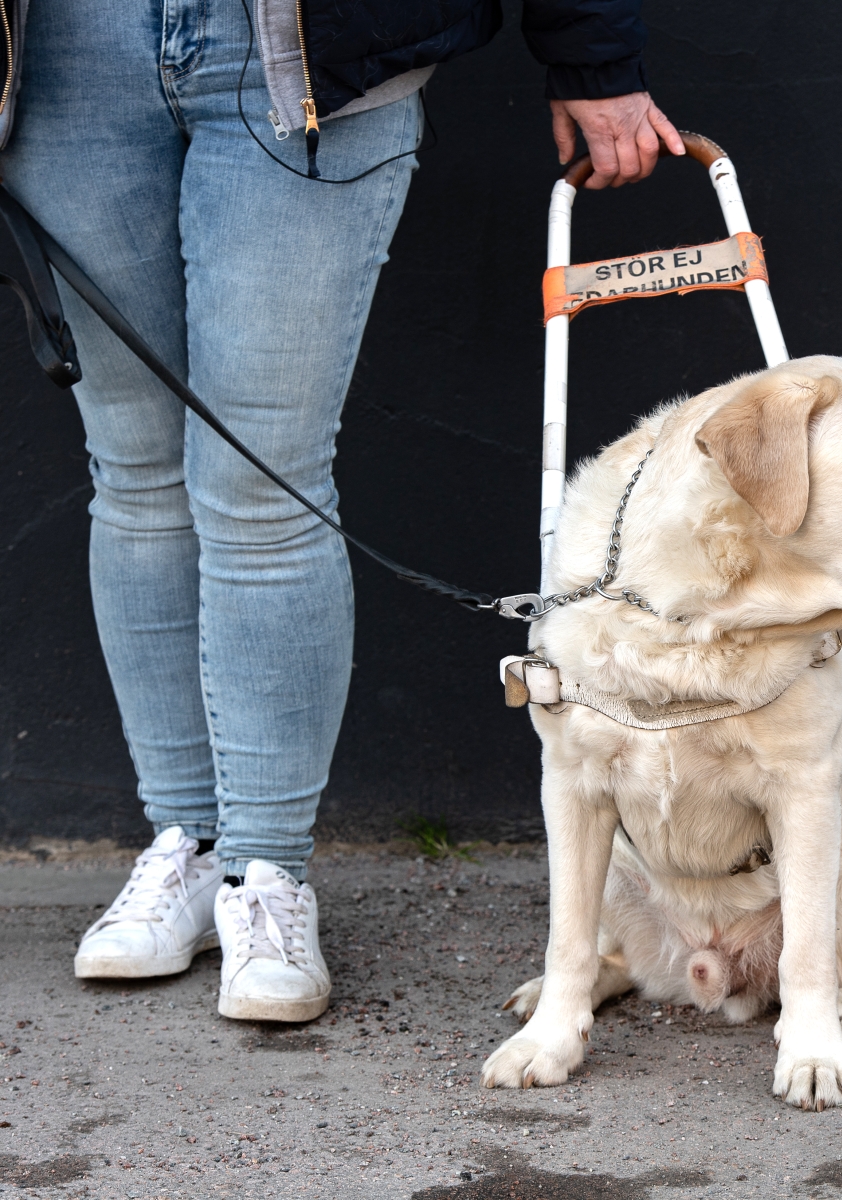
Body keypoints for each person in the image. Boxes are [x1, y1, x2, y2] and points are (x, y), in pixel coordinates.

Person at [0, 0, 682, 1022]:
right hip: (68, 48)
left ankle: (268, 873)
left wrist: (592, 54)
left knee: (262, 483)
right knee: (134, 471)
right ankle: (184, 846)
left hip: (303, 52)